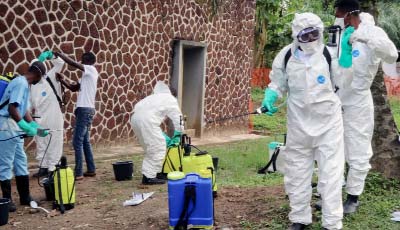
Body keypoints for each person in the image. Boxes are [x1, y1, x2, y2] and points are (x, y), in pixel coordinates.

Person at [262, 13, 344, 230]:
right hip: (298, 125)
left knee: (331, 175)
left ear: (319, 32)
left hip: (328, 125)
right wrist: (270, 97)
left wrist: (347, 63)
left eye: (313, 34)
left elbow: (344, 82)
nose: (310, 39)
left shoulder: (329, 55)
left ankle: (332, 223)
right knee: (296, 174)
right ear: (296, 35)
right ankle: (299, 218)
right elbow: (277, 84)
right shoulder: (286, 56)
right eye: (304, 35)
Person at [333, 0, 398, 214]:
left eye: (340, 15)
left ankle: (353, 197)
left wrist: (366, 37)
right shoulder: (340, 32)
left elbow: (392, 54)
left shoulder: (372, 31)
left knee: (358, 149)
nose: (338, 19)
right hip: (336, 99)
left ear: (350, 14)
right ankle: (332, 193)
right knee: (333, 148)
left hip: (359, 101)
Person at [0, 61, 48, 212]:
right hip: (6, 127)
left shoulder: (24, 84)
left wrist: (36, 127)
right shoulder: (20, 83)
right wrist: (25, 126)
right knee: (6, 164)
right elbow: (12, 108)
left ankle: (25, 196)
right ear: (38, 74)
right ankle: (7, 200)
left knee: (21, 161)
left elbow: (24, 109)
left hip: (14, 129)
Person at [55, 51, 98, 180]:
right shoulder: (86, 76)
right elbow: (74, 88)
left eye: (83, 59)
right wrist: (62, 80)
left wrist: (60, 54)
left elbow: (73, 63)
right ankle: (91, 169)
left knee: (76, 141)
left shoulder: (91, 69)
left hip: (84, 110)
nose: (81, 61)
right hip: (86, 110)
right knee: (84, 141)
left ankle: (78, 173)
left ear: (89, 61)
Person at [130, 81, 183, 185]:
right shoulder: (170, 99)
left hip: (135, 119)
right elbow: (178, 117)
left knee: (150, 147)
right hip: (148, 121)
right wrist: (179, 132)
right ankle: (148, 177)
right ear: (173, 95)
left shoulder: (153, 97)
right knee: (158, 147)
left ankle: (155, 172)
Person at [30, 56, 65, 177]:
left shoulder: (51, 77)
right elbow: (30, 104)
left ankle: (54, 167)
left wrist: (51, 56)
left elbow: (60, 63)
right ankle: (43, 167)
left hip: (53, 118)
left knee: (54, 142)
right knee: (41, 143)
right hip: (39, 120)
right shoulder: (32, 85)